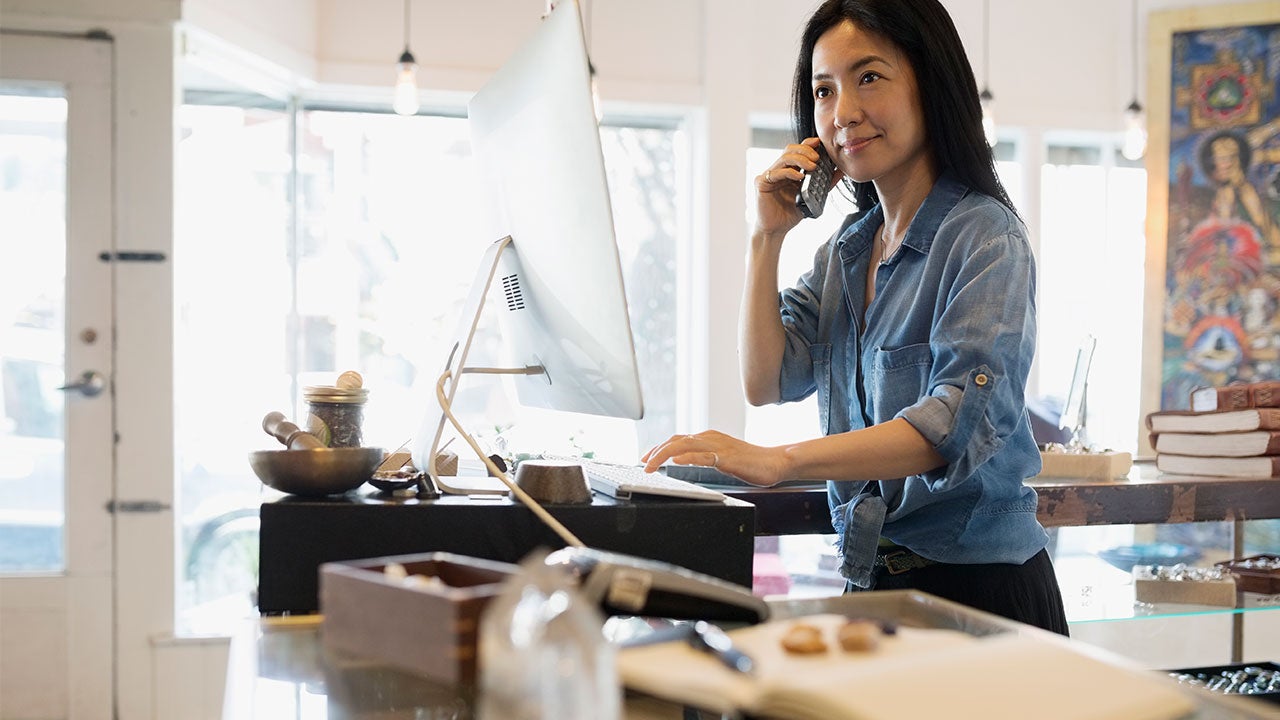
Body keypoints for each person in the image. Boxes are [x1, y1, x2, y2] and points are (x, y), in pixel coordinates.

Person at [641, 0, 1069, 635]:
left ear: (930, 81)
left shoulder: (984, 235)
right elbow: (765, 380)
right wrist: (766, 239)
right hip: (873, 579)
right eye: (823, 90)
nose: (842, 114)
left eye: (869, 77)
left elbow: (948, 426)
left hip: (980, 591)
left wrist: (781, 460)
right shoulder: (847, 249)